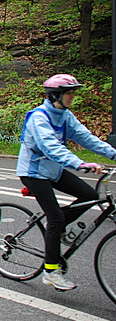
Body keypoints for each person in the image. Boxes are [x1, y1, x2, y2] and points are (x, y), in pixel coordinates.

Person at [17, 74, 116, 291]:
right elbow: (51, 147)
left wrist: (113, 154)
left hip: (53, 170)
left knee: (90, 196)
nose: (72, 96)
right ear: (55, 95)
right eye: (68, 93)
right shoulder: (38, 117)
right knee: (55, 218)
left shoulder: (64, 115)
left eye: (73, 93)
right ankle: (51, 272)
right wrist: (80, 164)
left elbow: (86, 138)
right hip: (33, 172)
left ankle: (57, 224)